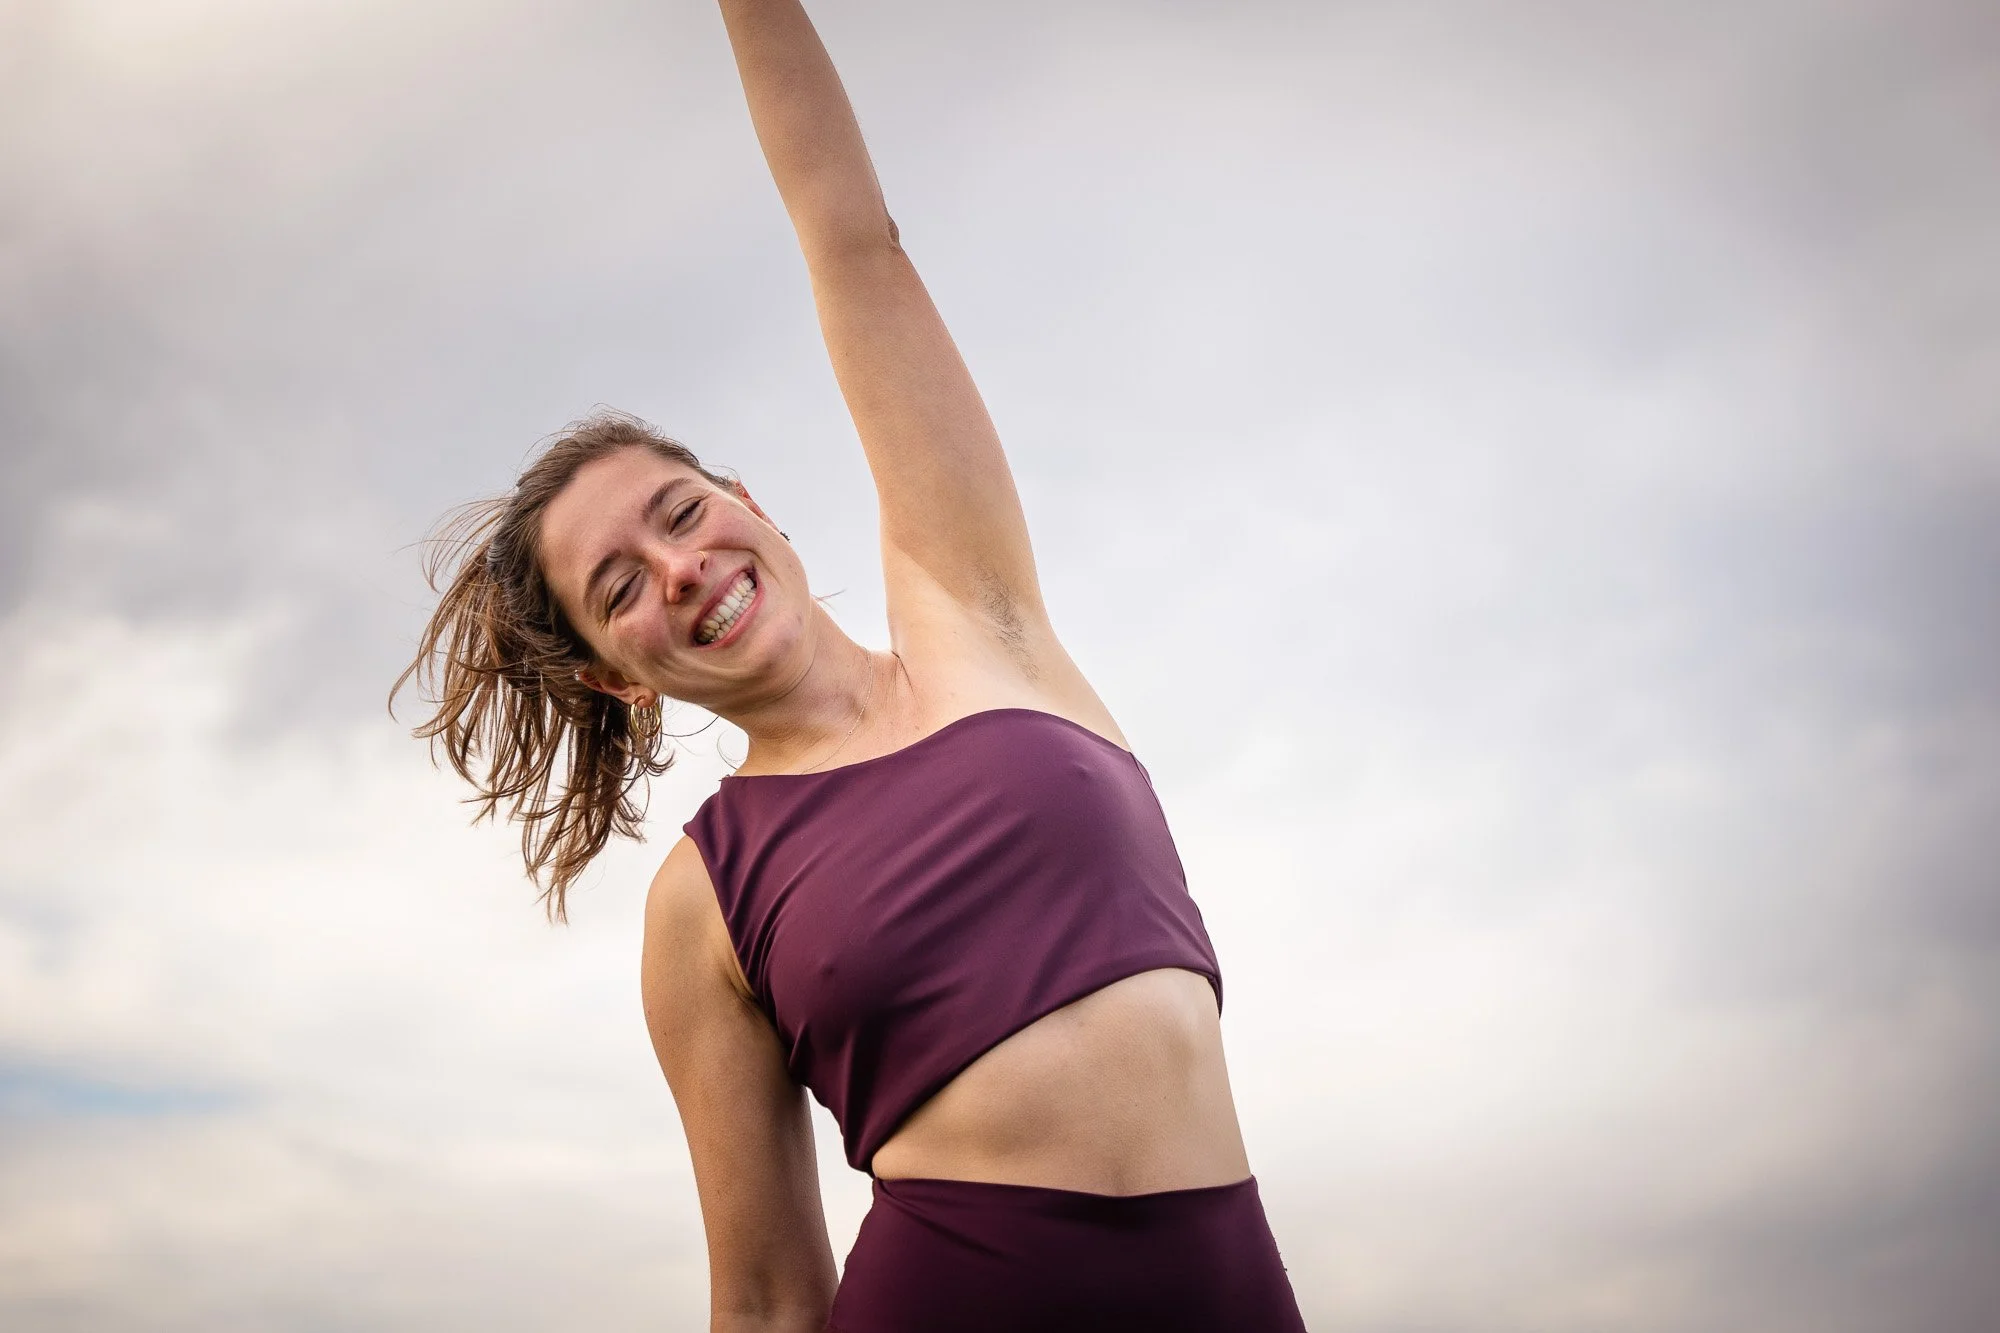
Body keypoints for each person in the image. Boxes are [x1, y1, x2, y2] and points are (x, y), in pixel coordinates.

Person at [397, 2, 1307, 1328]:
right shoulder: (703, 904)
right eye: (620, 591)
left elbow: (854, 243)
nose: (682, 571)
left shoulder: (973, 611)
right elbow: (765, 1294)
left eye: (682, 512)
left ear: (750, 501)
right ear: (618, 680)